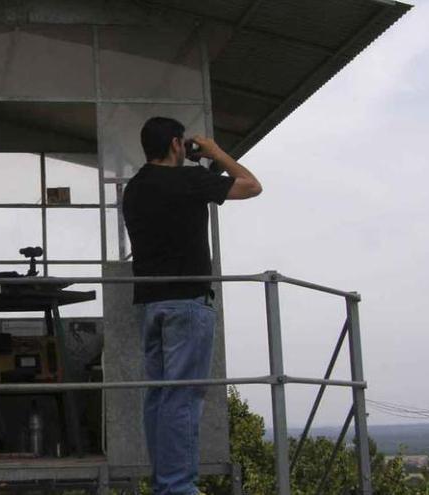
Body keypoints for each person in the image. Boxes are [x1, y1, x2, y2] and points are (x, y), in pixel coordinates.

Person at [122, 117, 262, 495]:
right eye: (182, 144)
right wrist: (215, 153)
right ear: (174, 144)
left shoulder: (134, 189)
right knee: (183, 397)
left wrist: (197, 167)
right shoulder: (186, 182)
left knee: (160, 396)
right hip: (187, 303)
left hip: (151, 305)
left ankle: (164, 483)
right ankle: (178, 487)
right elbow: (252, 186)